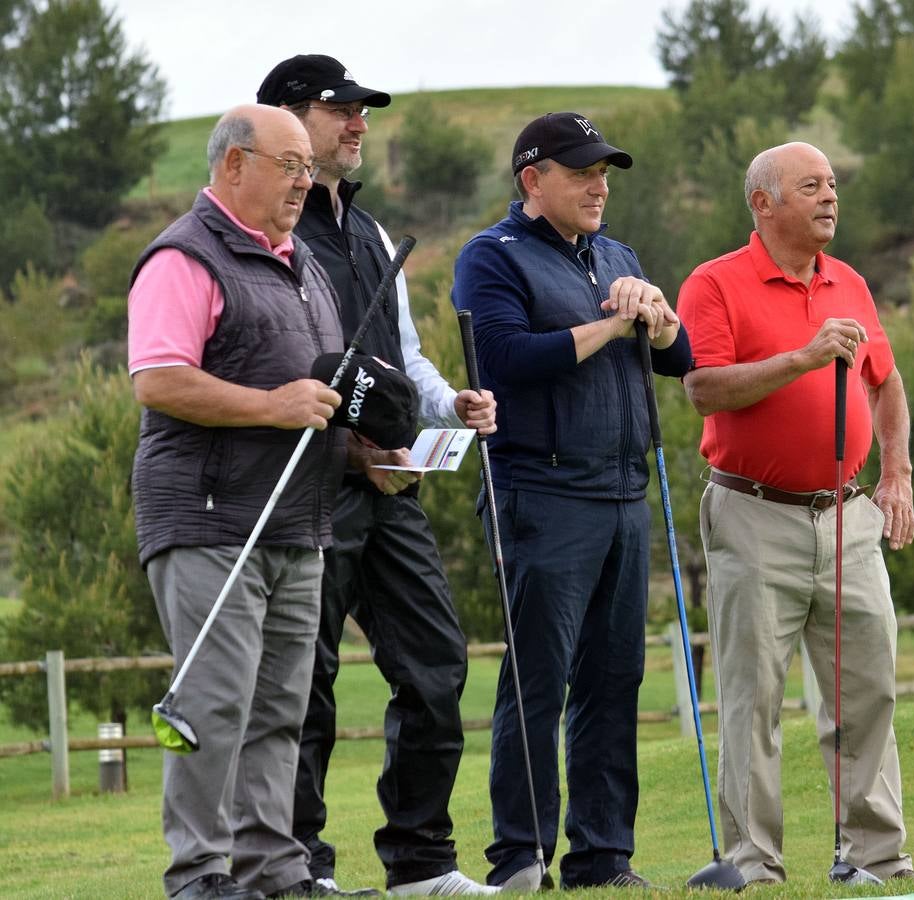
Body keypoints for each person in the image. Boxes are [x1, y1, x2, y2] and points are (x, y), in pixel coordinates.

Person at [256, 55, 498, 896]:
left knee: (437, 665)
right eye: (340, 109)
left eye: (362, 111)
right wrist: (351, 447)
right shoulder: (271, 230)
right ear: (288, 118)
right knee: (304, 684)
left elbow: (406, 357)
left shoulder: (372, 232)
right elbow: (267, 361)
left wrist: (448, 403)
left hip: (393, 489)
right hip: (307, 489)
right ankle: (300, 868)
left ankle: (422, 863)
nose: (358, 123)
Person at [675, 141, 914, 886]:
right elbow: (703, 388)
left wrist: (897, 475)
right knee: (753, 695)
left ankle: (875, 856)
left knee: (868, 687)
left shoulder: (847, 280)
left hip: (848, 517)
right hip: (753, 513)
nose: (829, 198)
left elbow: (885, 383)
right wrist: (803, 357)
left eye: (832, 186)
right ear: (763, 202)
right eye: (810, 186)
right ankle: (753, 863)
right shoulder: (713, 284)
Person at [451, 112, 692, 891]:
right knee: (538, 679)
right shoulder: (492, 257)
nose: (599, 185)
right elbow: (506, 358)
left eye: (605, 173)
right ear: (533, 180)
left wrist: (655, 315)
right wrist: (612, 323)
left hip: (622, 490)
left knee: (612, 678)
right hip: (542, 490)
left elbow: (679, 358)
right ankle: (521, 856)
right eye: (583, 172)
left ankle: (601, 857)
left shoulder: (615, 254)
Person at [129, 104, 362, 899]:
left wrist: (366, 451)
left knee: (279, 712)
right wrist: (273, 408)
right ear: (234, 165)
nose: (305, 181)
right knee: (216, 705)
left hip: (297, 522)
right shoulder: (183, 257)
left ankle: (274, 871)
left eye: (308, 168)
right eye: (290, 164)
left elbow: (314, 393)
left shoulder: (303, 263)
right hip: (208, 518)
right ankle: (200, 875)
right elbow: (159, 379)